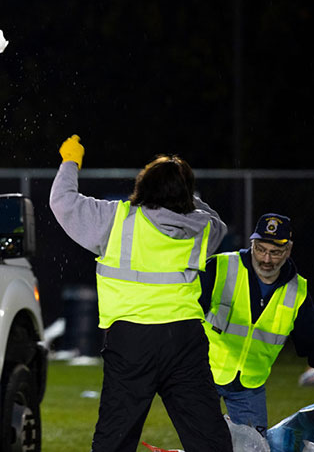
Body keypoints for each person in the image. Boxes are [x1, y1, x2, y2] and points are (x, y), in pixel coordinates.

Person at [49, 134, 232, 452]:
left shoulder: (115, 219)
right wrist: (188, 194)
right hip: (185, 340)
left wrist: (70, 162)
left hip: (131, 342)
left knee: (115, 438)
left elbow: (62, 202)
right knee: (208, 438)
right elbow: (215, 220)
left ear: (144, 186)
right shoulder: (204, 229)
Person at [200, 213, 314, 436]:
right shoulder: (220, 267)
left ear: (288, 250)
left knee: (255, 448)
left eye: (275, 252)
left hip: (249, 386)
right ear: (252, 244)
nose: (266, 259)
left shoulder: (297, 291)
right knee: (202, 441)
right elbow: (184, 313)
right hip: (203, 375)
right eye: (261, 249)